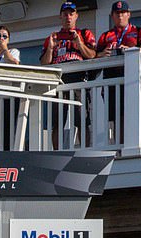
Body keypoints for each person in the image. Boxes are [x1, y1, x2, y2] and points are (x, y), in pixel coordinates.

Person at [41, 2, 96, 149]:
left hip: (79, 80)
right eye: (65, 14)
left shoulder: (84, 34)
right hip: (59, 82)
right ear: (60, 16)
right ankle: (57, 152)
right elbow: (44, 64)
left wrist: (79, 42)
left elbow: (92, 55)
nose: (68, 17)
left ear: (76, 16)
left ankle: (84, 150)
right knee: (57, 121)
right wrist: (51, 49)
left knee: (82, 119)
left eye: (71, 14)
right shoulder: (53, 37)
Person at [96, 1, 141, 144]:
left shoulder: (138, 31)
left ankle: (128, 145)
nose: (120, 16)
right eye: (117, 13)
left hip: (130, 79)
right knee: (115, 118)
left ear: (128, 14)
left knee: (130, 115)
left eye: (123, 13)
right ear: (112, 16)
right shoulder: (105, 35)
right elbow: (94, 56)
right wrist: (103, 54)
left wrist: (131, 50)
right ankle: (119, 145)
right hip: (111, 81)